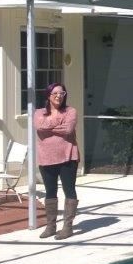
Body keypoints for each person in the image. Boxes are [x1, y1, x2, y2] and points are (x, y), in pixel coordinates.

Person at [34, 82, 79, 240]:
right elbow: (39, 127)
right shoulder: (39, 112)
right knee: (50, 192)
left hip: (68, 156)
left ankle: (68, 226)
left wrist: (49, 125)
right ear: (48, 95)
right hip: (46, 158)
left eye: (62, 93)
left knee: (69, 191)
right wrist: (59, 122)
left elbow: (68, 130)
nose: (59, 96)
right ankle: (51, 226)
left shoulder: (71, 111)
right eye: (55, 93)